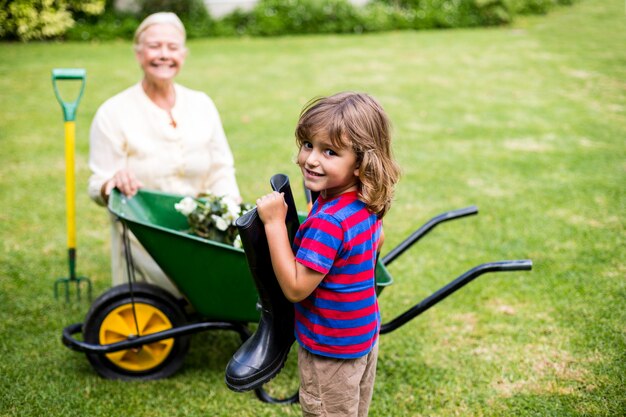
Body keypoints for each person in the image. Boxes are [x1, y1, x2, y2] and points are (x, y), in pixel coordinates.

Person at [256, 92, 400, 417]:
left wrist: (274, 223)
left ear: (361, 162)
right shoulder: (364, 202)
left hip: (330, 348)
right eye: (308, 144)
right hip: (362, 334)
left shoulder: (328, 223)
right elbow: (376, 240)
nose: (311, 159)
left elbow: (295, 288)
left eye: (330, 151)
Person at [88, 12, 241, 298]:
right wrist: (112, 183)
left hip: (200, 231)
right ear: (138, 53)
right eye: (154, 46)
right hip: (147, 238)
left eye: (172, 47)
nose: (163, 55)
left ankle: (204, 291)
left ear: (183, 54)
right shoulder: (113, 113)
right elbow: (98, 184)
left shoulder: (201, 104)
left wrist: (230, 209)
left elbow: (221, 168)